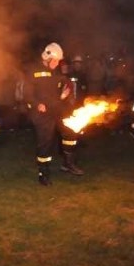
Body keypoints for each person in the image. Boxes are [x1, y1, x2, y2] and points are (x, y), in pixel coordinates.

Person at [26, 43, 84, 187]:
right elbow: (27, 93)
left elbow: (64, 86)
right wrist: (35, 104)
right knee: (45, 144)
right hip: (42, 114)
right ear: (48, 57)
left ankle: (68, 164)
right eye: (56, 60)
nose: (58, 63)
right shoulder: (33, 71)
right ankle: (43, 174)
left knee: (70, 132)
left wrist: (67, 91)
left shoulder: (57, 72)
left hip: (58, 109)